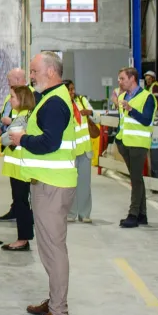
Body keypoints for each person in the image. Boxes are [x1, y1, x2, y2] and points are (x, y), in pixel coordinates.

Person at [7, 51, 77, 315]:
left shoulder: (54, 103)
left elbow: (49, 142)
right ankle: (55, 301)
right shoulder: (51, 99)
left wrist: (22, 139)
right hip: (50, 182)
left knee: (53, 248)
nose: (31, 76)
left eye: (34, 71)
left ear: (50, 71)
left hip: (52, 184)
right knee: (49, 248)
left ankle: (59, 314)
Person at [114, 67, 156, 228]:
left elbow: (146, 120)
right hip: (125, 143)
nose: (119, 82)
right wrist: (119, 139)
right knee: (136, 179)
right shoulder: (122, 96)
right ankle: (142, 214)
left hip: (139, 144)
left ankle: (133, 214)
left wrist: (131, 110)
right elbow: (121, 121)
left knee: (135, 179)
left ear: (132, 79)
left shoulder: (148, 97)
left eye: (122, 79)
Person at [0, 85, 36, 250]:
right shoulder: (28, 115)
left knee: (21, 203)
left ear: (21, 99)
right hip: (21, 167)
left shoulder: (21, 118)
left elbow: (5, 140)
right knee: (23, 202)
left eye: (12, 97)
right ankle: (24, 237)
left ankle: (23, 239)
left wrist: (5, 134)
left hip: (19, 169)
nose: (10, 100)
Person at [0, 67, 30, 222]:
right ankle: (15, 209)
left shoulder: (29, 97)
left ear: (17, 80)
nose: (10, 99)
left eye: (9, 81)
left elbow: (21, 123)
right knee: (16, 190)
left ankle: (25, 223)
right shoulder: (9, 97)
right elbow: (3, 114)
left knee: (23, 192)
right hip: (12, 152)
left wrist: (10, 124)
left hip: (21, 151)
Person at [67, 81, 95, 223]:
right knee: (69, 184)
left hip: (84, 150)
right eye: (69, 90)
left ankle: (84, 214)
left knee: (84, 184)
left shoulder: (82, 101)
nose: (72, 92)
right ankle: (70, 213)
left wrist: (89, 112)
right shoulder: (61, 104)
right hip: (69, 152)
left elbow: (95, 116)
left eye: (73, 89)